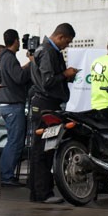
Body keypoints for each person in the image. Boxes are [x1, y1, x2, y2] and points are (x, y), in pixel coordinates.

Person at [29, 23, 79, 203]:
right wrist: (65, 74)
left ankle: (38, 192)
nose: (67, 45)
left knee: (41, 149)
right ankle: (42, 193)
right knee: (43, 149)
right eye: (68, 42)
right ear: (61, 37)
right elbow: (48, 80)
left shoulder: (47, 50)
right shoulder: (49, 51)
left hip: (47, 103)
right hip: (46, 104)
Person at [0, 29, 31, 186]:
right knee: (15, 142)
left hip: (8, 104)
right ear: (15, 41)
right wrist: (33, 63)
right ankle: (5, 175)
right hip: (13, 105)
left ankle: (4, 173)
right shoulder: (9, 58)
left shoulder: (4, 57)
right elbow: (20, 77)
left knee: (13, 141)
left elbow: (15, 73)